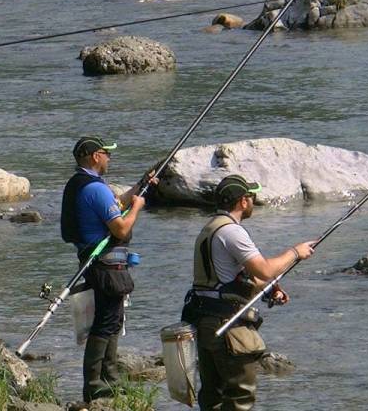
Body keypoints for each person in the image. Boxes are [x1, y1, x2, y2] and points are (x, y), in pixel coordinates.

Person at [180, 175, 316, 411]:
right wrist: (296, 252)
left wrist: (268, 289)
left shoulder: (211, 228)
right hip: (227, 325)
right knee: (240, 397)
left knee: (213, 397)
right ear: (243, 201)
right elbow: (264, 269)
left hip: (205, 320)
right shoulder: (232, 232)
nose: (253, 201)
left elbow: (229, 276)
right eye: (251, 196)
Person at [60, 136, 157, 402]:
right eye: (106, 153)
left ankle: (109, 378)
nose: (109, 158)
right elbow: (122, 227)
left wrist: (141, 185)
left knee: (112, 320)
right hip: (104, 265)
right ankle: (94, 382)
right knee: (105, 323)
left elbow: (117, 204)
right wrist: (137, 208)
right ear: (95, 156)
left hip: (93, 262)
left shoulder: (80, 184)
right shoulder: (95, 188)